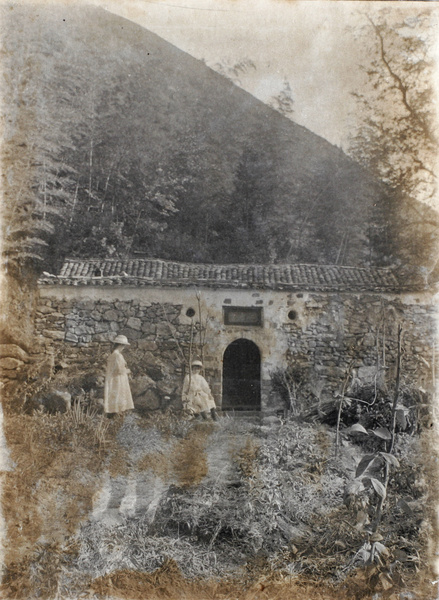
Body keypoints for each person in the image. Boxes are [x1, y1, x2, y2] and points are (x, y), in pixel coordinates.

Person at [104, 334, 134, 417]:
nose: (124, 348)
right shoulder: (118, 355)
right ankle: (117, 416)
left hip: (112, 379)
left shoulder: (112, 355)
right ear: (120, 345)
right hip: (118, 380)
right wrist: (128, 370)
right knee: (119, 396)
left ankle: (114, 415)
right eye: (123, 345)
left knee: (114, 397)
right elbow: (120, 370)